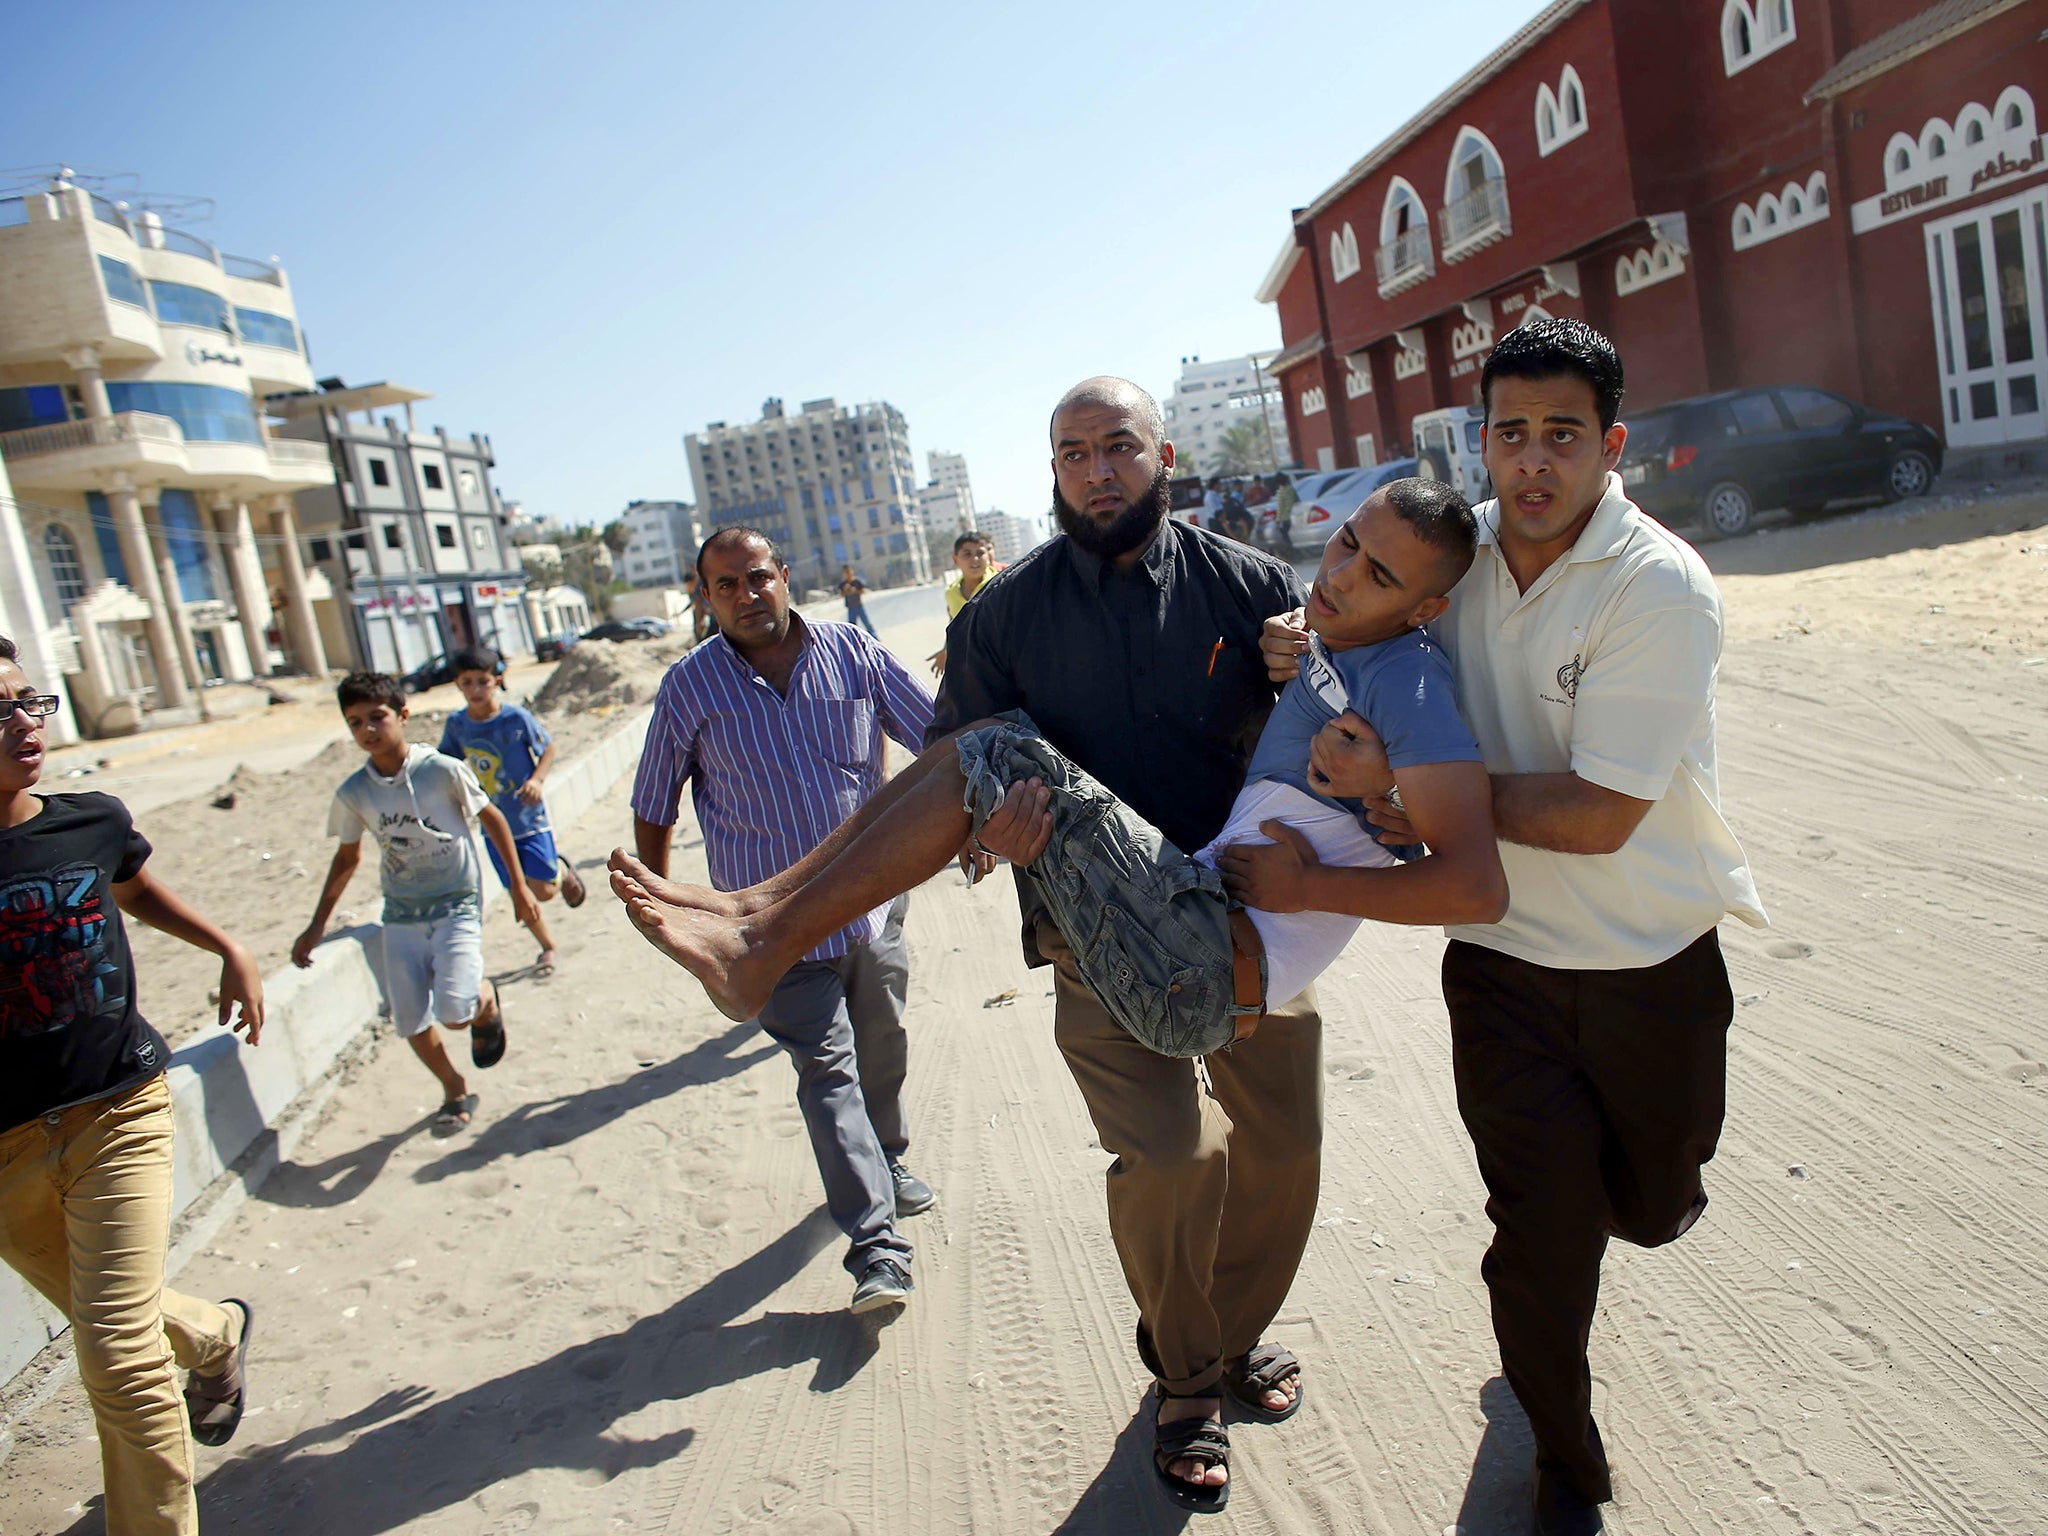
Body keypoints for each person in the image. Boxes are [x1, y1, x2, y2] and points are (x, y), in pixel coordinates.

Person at [609, 478, 1505, 1512]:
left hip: (1216, 941)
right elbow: (944, 741)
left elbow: (1469, 873)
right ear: (1050, 467)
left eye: (1378, 570)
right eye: (1344, 544)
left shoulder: (1288, 611)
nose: (1342, 573)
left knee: (1282, 1156)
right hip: (1146, 928)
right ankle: (1184, 1385)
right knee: (1170, 1150)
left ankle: (1222, 1337)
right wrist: (994, 836)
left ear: (1159, 456)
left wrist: (1344, 848)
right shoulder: (1019, 610)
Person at [1259, 319, 1767, 1535]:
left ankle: (1621, 1210)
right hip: (1499, 970)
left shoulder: (1657, 588)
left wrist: (1403, 794)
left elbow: (1596, 817)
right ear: (1477, 439)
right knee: (1534, 1237)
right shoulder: (1458, 556)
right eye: (1509, 434)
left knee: (1644, 1205)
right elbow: (1357, 609)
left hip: (1652, 963)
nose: (1531, 464)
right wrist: (1303, 636)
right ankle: (1561, 1456)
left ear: (1610, 445)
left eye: (1561, 437)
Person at [625, 529, 942, 1316]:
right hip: (771, 931)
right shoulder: (689, 688)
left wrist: (966, 827)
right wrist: (673, 912)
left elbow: (937, 742)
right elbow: (652, 804)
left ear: (785, 576)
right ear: (706, 598)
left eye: (757, 577)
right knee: (826, 1075)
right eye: (725, 586)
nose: (745, 595)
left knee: (884, 1044)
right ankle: (877, 1251)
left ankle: (891, 1155)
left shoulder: (852, 654)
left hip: (873, 907)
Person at [0, 634, 262, 1535]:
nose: (24, 726)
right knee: (112, 1313)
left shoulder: (89, 820)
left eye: (29, 703)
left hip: (117, 1112)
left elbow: (135, 889)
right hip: (4, 1156)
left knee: (114, 1352)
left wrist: (228, 946)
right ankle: (214, 1336)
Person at [293, 672, 540, 1132]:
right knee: (409, 1020)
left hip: (457, 902)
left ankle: (485, 999)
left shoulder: (441, 769)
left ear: (403, 715)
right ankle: (454, 1087)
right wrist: (316, 926)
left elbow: (493, 819)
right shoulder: (354, 793)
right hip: (402, 914)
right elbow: (347, 858)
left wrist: (520, 888)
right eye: (354, 722)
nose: (367, 729)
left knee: (454, 1012)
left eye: (377, 717)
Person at [439, 645, 586, 975]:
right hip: (492, 827)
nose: (475, 690)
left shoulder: (515, 718)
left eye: (482, 681)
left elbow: (548, 747)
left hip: (529, 820)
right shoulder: (457, 725)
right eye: (467, 683)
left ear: (497, 680)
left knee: (544, 892)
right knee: (517, 892)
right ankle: (547, 947)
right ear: (457, 685)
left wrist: (537, 779)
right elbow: (446, 763)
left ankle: (559, 870)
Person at [927, 532, 1005, 678]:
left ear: (988, 557)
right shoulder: (952, 593)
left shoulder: (1002, 584)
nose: (974, 559)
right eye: (967, 554)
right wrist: (947, 649)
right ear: (955, 559)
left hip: (1002, 663)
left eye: (980, 553)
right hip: (970, 666)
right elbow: (955, 624)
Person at [837, 564, 878, 637]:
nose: (847, 574)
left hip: (859, 605)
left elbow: (863, 591)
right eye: (845, 572)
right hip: (850, 607)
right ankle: (853, 639)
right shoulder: (843, 584)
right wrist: (846, 590)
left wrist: (855, 590)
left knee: (867, 623)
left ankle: (874, 637)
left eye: (848, 572)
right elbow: (841, 595)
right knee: (851, 626)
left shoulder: (856, 581)